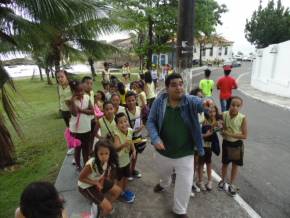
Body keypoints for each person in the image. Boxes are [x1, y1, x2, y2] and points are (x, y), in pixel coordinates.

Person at [147, 73, 212, 217]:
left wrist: (206, 103)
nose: (178, 88)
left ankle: (180, 210)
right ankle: (164, 183)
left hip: (185, 153)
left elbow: (200, 102)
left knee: (185, 183)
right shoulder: (159, 102)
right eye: (174, 85)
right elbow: (150, 121)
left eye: (181, 84)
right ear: (167, 88)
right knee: (164, 175)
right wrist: (155, 138)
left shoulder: (189, 101)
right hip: (163, 152)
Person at [78, 139, 122, 217]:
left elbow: (103, 174)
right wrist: (96, 183)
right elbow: (81, 178)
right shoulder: (91, 164)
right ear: (96, 153)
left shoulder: (108, 161)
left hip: (97, 180)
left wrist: (101, 183)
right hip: (85, 186)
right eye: (101, 154)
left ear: (110, 153)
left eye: (106, 153)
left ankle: (103, 208)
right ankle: (102, 213)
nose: (104, 156)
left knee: (118, 191)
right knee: (108, 208)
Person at [218, 96, 247, 196]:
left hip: (236, 144)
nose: (235, 107)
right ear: (229, 104)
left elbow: (244, 135)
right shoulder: (224, 114)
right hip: (226, 143)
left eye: (238, 106)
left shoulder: (242, 118)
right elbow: (220, 127)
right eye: (233, 105)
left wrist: (229, 134)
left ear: (241, 106)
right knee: (225, 164)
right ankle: (222, 181)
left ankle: (232, 184)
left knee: (235, 165)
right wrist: (220, 128)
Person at [68, 80, 94, 171]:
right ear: (73, 92)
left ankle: (86, 164)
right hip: (76, 130)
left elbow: (92, 111)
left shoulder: (87, 97)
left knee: (86, 148)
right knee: (77, 149)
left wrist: (82, 110)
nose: (80, 93)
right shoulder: (70, 101)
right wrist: (72, 101)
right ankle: (78, 165)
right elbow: (74, 113)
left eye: (81, 90)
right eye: (77, 91)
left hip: (86, 128)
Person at [114, 112, 136, 203]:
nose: (124, 124)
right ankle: (119, 194)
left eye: (125, 121)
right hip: (119, 162)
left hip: (127, 160)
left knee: (126, 176)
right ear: (117, 125)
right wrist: (123, 145)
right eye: (121, 122)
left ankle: (123, 190)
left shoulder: (130, 130)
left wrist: (134, 150)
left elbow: (131, 141)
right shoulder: (117, 135)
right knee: (120, 179)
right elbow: (116, 148)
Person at [198, 105, 221, 191]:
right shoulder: (203, 120)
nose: (212, 113)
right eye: (210, 111)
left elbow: (219, 129)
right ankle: (200, 181)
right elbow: (198, 134)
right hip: (201, 145)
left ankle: (209, 181)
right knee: (200, 164)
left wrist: (219, 128)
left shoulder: (215, 121)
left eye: (214, 111)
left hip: (209, 146)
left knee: (208, 163)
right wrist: (206, 134)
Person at [125, 91, 145, 180]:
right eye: (129, 101)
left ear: (135, 100)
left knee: (135, 154)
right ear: (125, 101)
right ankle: (126, 172)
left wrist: (142, 126)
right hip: (128, 137)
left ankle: (132, 170)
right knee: (127, 155)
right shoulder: (124, 111)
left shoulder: (139, 109)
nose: (131, 102)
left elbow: (142, 120)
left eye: (133, 100)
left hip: (137, 136)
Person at [56, 70, 74, 155]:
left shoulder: (72, 85)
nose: (60, 79)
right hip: (63, 110)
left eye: (62, 76)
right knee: (69, 128)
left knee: (73, 128)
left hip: (72, 110)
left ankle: (74, 147)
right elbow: (60, 98)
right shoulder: (59, 86)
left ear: (66, 76)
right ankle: (73, 146)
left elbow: (77, 96)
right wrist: (60, 108)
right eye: (58, 77)